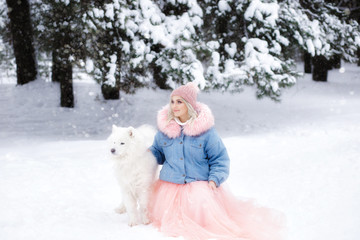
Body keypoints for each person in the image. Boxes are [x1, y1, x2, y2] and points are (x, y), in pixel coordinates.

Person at [149, 82, 285, 240]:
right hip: (170, 187)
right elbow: (157, 154)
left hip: (199, 184)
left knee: (202, 215)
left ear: (189, 104)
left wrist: (215, 179)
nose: (174, 106)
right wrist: (143, 154)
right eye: (172, 101)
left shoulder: (206, 133)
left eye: (179, 102)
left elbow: (220, 159)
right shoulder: (164, 131)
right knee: (169, 219)